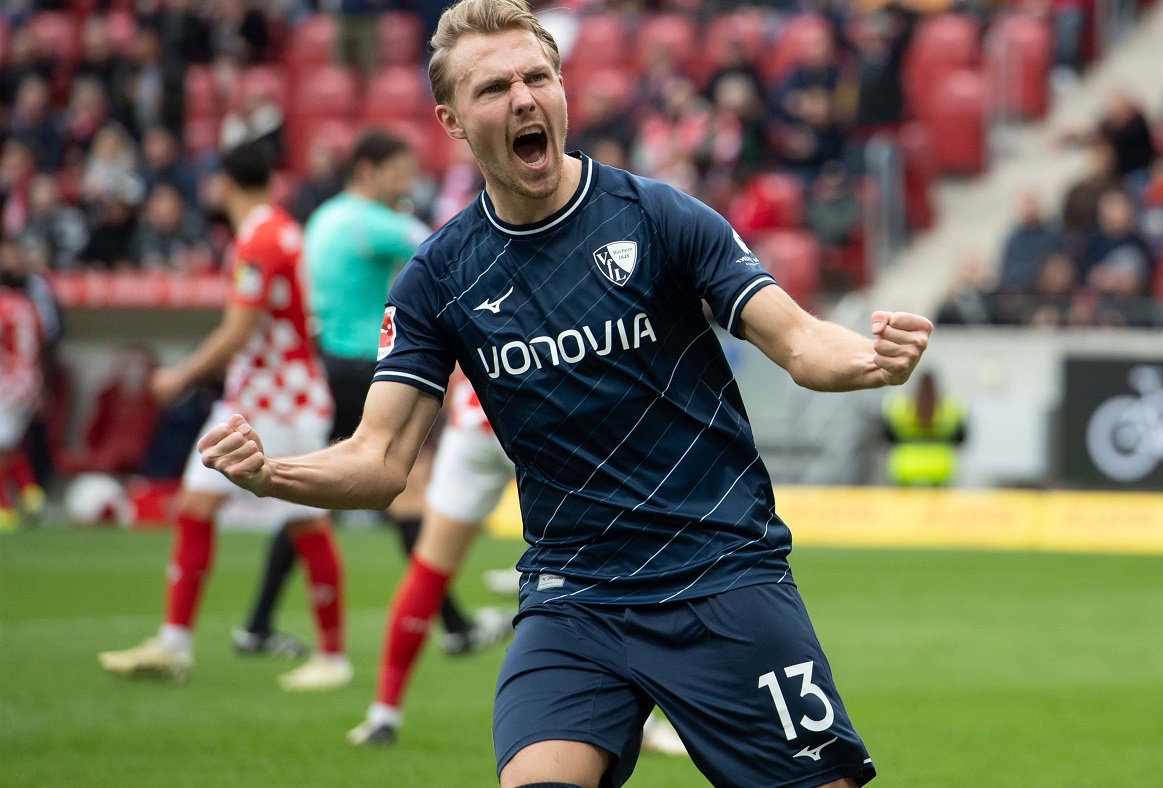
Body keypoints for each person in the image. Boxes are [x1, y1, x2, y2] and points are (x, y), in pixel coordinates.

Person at [196, 2, 931, 785]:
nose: (522, 98)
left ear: (561, 89)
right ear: (451, 120)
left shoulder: (658, 217)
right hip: (574, 599)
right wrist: (272, 475)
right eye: (492, 88)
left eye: (537, 77)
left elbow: (800, 341)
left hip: (720, 571)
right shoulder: (437, 279)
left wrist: (872, 358)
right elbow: (379, 461)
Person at [230, 131, 497, 659]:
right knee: (404, 490)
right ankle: (452, 624)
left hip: (328, 366)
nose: (407, 185)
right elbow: (453, 249)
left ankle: (258, 624)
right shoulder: (375, 223)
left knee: (318, 494)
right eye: (399, 173)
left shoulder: (324, 218)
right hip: (369, 371)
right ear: (367, 171)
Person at [98, 141, 350, 692]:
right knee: (196, 505)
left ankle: (333, 658)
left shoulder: (258, 239)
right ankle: (173, 644)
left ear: (224, 183)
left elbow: (238, 329)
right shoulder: (282, 229)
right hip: (263, 396)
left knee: (305, 520)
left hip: (278, 402)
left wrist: (180, 376)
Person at [347, 373, 686, 760]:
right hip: (545, 414)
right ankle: (643, 721)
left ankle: (383, 714)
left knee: (429, 569)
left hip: (476, 419)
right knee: (604, 564)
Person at [0, 240, 45, 530]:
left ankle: (4, 508)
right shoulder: (27, 304)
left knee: (2, 446)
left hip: (8, 383)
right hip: (27, 380)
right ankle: (30, 494)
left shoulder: (3, 305)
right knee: (9, 444)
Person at [881, 372, 967, 487]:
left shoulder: (899, 407)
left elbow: (887, 437)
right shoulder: (951, 407)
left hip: (905, 468)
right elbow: (961, 438)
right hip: (941, 469)